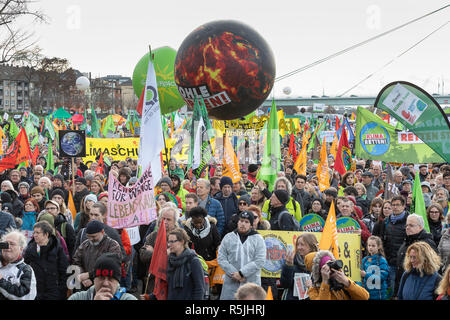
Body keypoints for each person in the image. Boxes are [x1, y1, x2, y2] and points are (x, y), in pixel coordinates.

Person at [217, 211, 266, 300]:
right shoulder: (228, 237)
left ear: (251, 225)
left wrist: (241, 273)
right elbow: (221, 258)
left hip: (251, 284)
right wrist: (234, 273)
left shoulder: (258, 239)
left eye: (246, 222)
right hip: (231, 284)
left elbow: (260, 260)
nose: (243, 224)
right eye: (241, 221)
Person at [395, 214, 438, 296]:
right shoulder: (407, 241)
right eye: (406, 225)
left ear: (420, 227)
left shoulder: (426, 243)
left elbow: (434, 265)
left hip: (422, 284)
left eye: (411, 225)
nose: (407, 227)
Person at [23, 221, 69, 300]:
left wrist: (61, 291)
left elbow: (64, 271)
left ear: (46, 234)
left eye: (38, 233)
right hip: (35, 291)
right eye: (34, 232)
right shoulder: (30, 249)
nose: (35, 235)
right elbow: (24, 268)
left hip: (53, 292)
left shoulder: (57, 249)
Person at [71, 220, 122, 290]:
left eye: (94, 236)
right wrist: (83, 277)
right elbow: (76, 261)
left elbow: (112, 266)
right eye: (89, 237)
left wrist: (90, 276)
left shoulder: (112, 245)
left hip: (105, 286)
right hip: (86, 286)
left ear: (102, 232)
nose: (91, 239)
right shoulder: (85, 245)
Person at [139, 206, 179, 295]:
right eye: (163, 218)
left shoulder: (180, 237)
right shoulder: (152, 236)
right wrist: (164, 253)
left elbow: (178, 256)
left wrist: (154, 252)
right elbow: (143, 255)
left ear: (175, 221)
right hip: (153, 281)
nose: (165, 222)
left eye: (168, 219)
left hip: (171, 280)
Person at [304, 250, 369, 300]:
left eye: (330, 264)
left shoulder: (340, 279)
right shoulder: (314, 289)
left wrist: (346, 282)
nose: (331, 269)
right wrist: (325, 282)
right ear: (318, 271)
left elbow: (365, 297)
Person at [68, 253, 137, 300]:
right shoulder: (78, 297)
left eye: (110, 279)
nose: (105, 283)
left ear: (117, 281)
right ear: (94, 279)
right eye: (101, 278)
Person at [377, 195, 409, 293]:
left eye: (398, 205)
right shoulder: (386, 221)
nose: (395, 207)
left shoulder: (409, 220)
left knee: (402, 288)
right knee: (390, 288)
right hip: (389, 260)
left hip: (404, 262)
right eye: (393, 205)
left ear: (403, 206)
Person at [166, 228, 206, 300]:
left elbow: (200, 288)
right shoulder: (170, 260)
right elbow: (166, 287)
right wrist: (149, 297)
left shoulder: (193, 261)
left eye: (172, 241)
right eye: (168, 242)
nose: (169, 245)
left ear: (182, 241)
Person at [0, 229, 37, 300]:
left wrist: (1, 281)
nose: (8, 247)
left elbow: (26, 297)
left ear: (21, 248)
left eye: (12, 244)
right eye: (5, 244)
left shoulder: (25, 270)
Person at [280, 233, 318, 300]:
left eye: (302, 245)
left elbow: (323, 286)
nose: (299, 247)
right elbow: (285, 284)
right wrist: (288, 266)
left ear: (311, 246)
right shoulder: (292, 259)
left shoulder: (318, 263)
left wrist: (312, 285)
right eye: (297, 244)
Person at [360, 236, 389, 300]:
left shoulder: (382, 260)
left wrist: (366, 275)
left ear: (378, 247)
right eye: (369, 245)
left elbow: (382, 277)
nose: (370, 247)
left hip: (378, 294)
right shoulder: (365, 260)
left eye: (373, 246)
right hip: (366, 293)